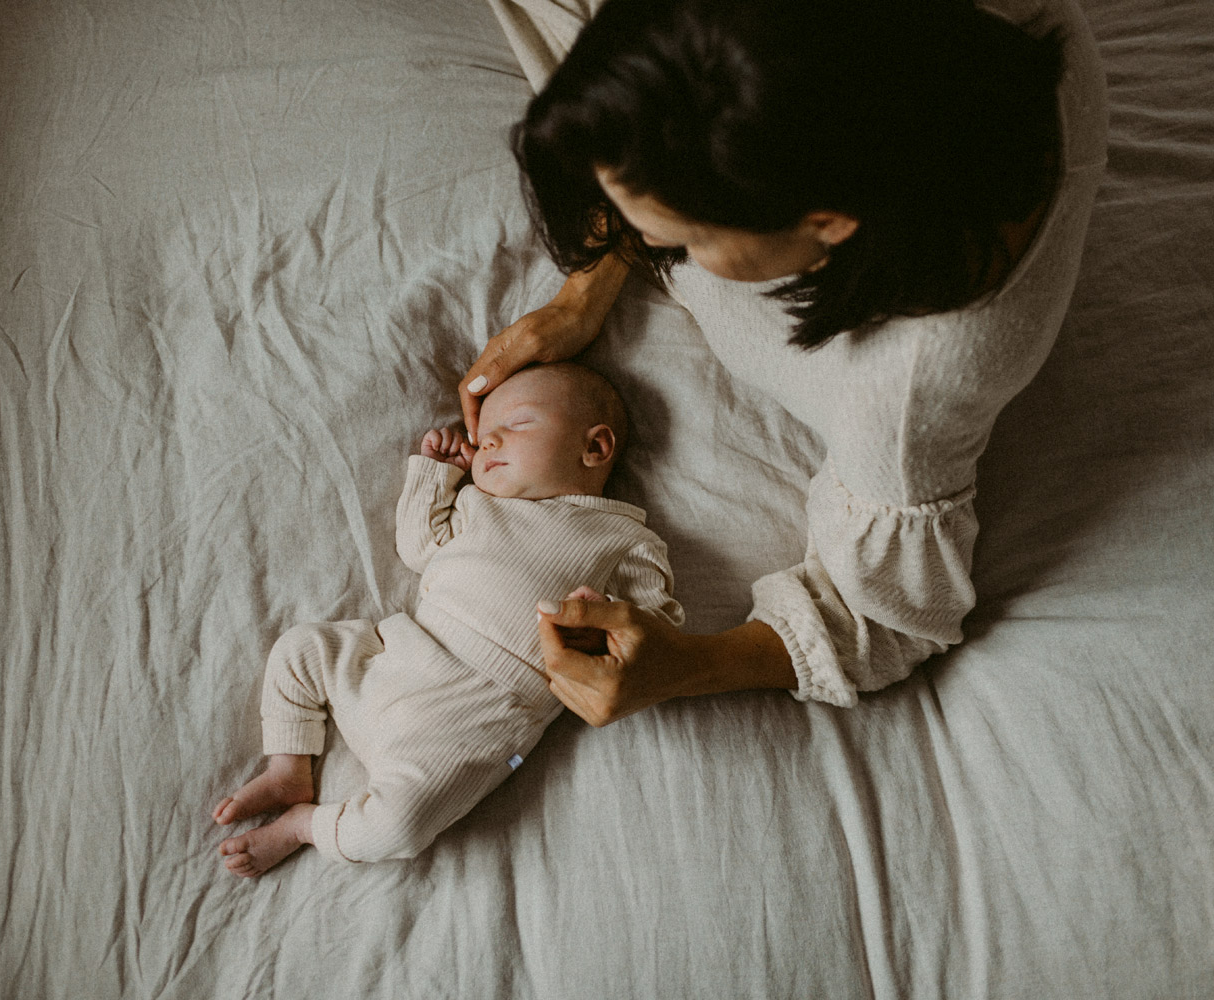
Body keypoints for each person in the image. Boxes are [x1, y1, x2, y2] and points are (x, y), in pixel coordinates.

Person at [468, 0, 1108, 720]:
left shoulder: (906, 390)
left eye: (679, 239)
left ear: (826, 224)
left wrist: (685, 667)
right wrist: (584, 293)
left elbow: (887, 617)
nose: (648, 246)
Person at [214, 362, 682, 874]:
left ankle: (305, 826)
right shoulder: (479, 505)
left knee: (397, 827)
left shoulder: (625, 540)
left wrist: (602, 627)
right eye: (483, 440)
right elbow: (419, 546)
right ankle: (288, 767)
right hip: (402, 653)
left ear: (594, 447)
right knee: (300, 650)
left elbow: (657, 633)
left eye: (518, 425)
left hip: (478, 717)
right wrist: (436, 474)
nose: (490, 442)